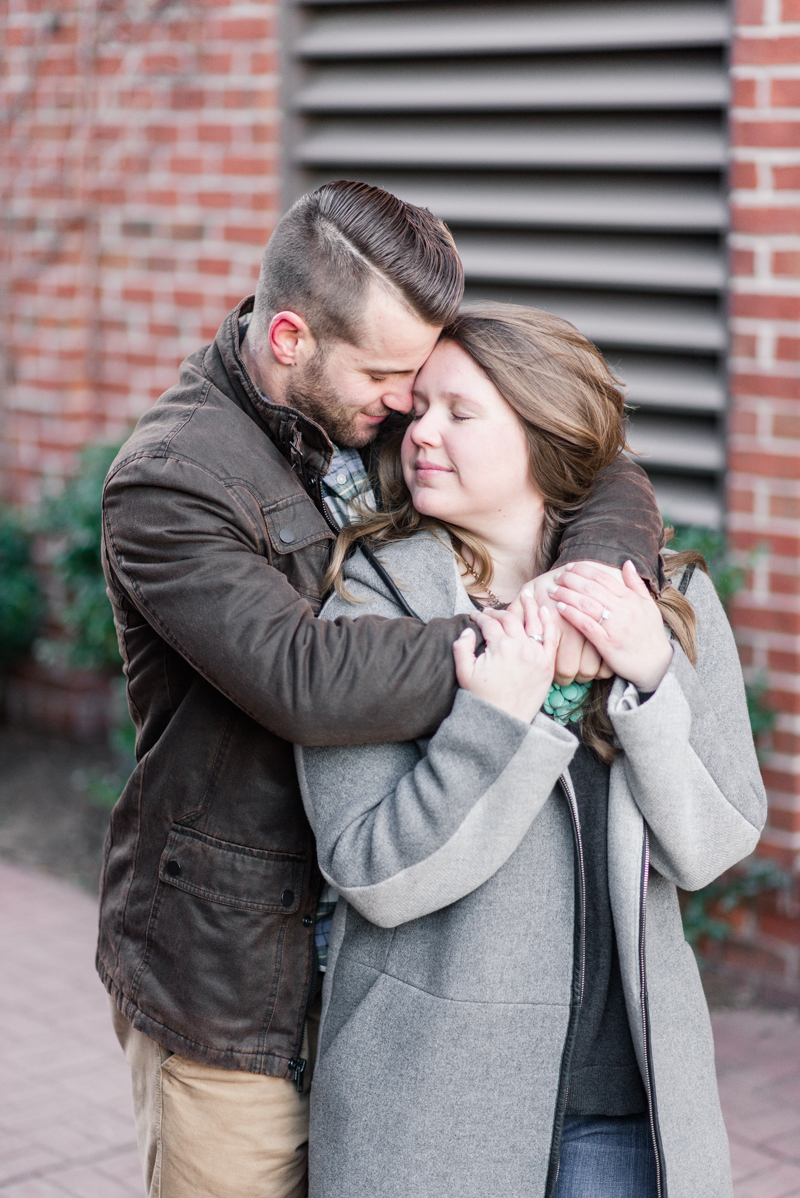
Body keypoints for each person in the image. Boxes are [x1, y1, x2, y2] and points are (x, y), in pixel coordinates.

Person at [98, 182, 665, 1198]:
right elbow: (303, 677)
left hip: (387, 969)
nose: (410, 405)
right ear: (289, 339)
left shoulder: (360, 402)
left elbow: (593, 457)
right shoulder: (170, 480)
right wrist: (525, 641)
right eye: (390, 375)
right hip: (236, 976)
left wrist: (597, 586)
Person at [296, 303, 767, 1198]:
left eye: (460, 414)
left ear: (544, 433)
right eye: (418, 410)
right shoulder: (370, 609)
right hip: (434, 1105)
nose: (422, 434)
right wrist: (505, 720)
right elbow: (373, 875)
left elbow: (711, 847)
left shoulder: (670, 604)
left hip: (630, 1110)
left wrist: (650, 684)